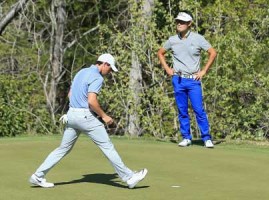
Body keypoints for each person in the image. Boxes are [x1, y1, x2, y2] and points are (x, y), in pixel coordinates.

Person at [29, 53, 147, 189]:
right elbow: (91, 101)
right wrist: (104, 116)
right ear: (104, 64)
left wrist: (72, 112)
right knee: (107, 146)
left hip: (72, 115)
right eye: (110, 69)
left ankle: (38, 176)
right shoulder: (97, 77)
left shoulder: (81, 72)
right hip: (85, 117)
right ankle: (129, 177)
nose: (109, 73)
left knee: (63, 149)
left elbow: (70, 94)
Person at [157, 11, 217, 148]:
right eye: (178, 21)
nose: (179, 24)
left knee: (198, 110)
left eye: (183, 22)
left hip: (193, 80)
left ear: (189, 24)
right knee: (182, 110)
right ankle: (186, 137)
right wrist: (167, 68)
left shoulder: (198, 38)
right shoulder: (172, 40)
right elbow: (160, 53)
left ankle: (206, 138)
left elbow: (213, 53)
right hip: (178, 80)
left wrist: (204, 71)